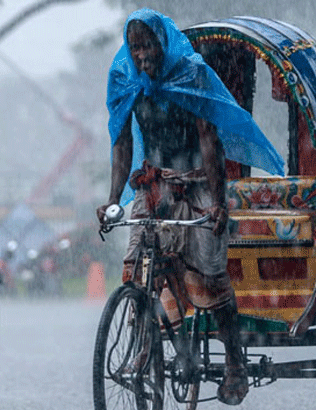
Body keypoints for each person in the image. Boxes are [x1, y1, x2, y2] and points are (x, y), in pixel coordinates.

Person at [96, 8, 284, 406]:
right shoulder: (126, 79)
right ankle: (145, 341)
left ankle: (234, 362)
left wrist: (218, 203)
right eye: (135, 48)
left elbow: (208, 139)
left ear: (163, 43)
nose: (143, 55)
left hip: (198, 185)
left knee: (211, 275)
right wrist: (113, 200)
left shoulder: (191, 74)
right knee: (137, 268)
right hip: (153, 187)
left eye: (148, 45)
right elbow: (122, 143)